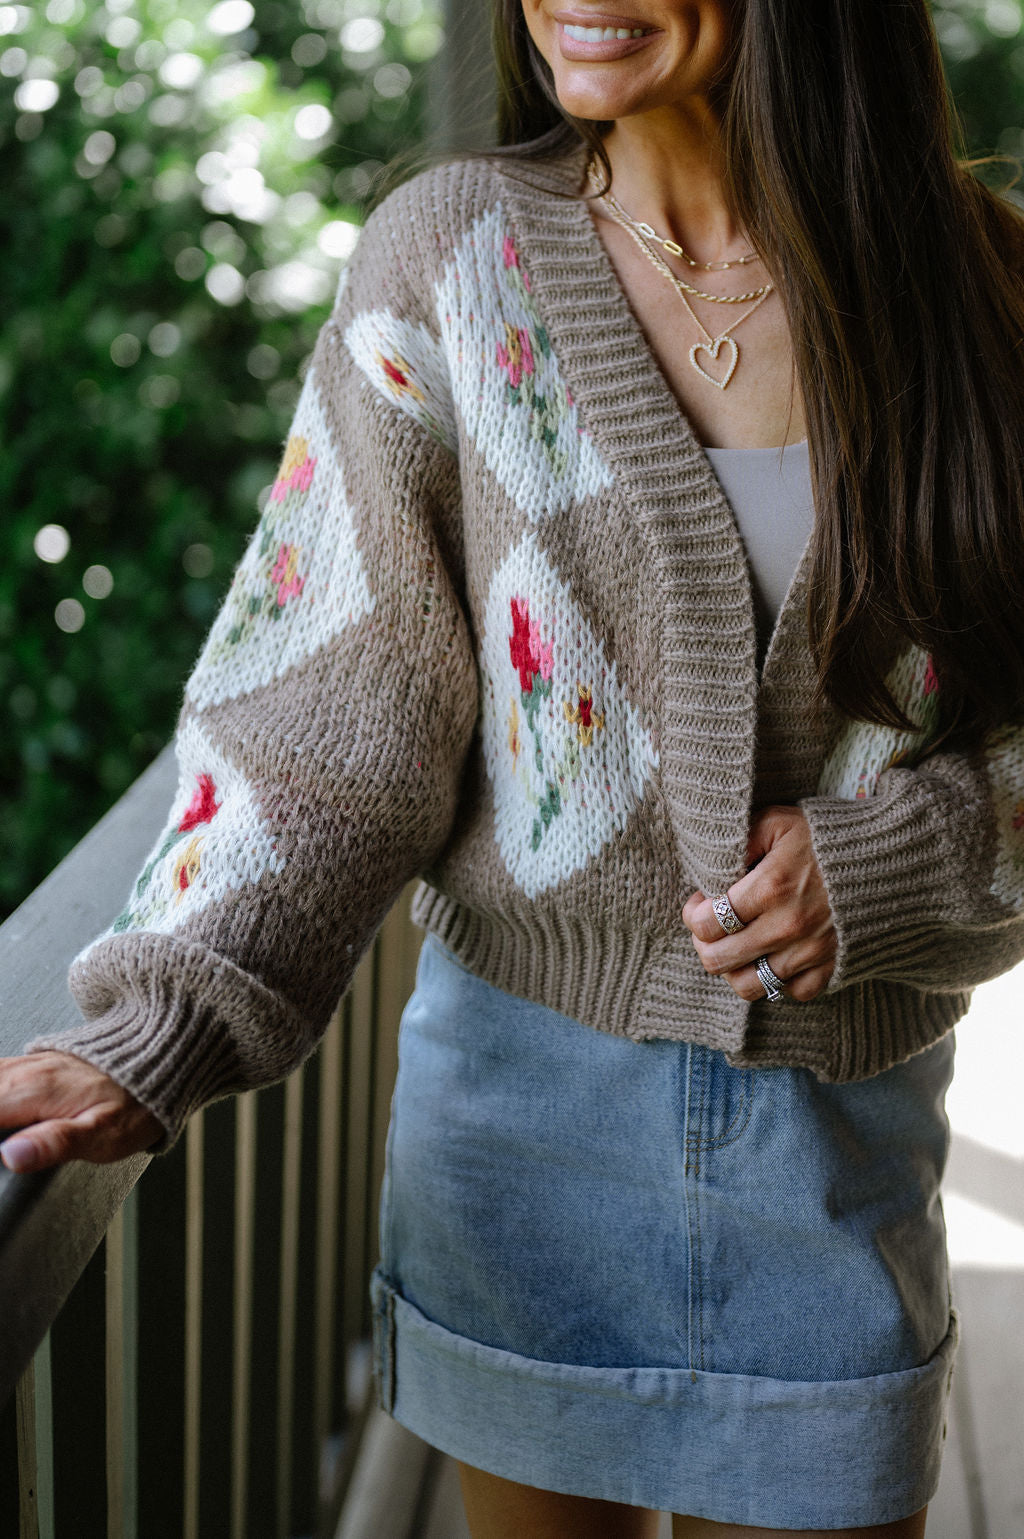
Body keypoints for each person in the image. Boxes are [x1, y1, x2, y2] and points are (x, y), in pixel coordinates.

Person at [3, 0, 1024, 1533]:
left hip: (843, 1156)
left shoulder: (983, 288)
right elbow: (329, 702)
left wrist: (904, 856)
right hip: (521, 1141)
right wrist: (159, 1024)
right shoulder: (453, 256)